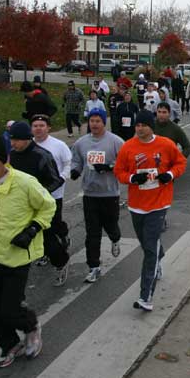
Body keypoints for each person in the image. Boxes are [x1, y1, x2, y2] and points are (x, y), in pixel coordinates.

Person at [0, 135, 55, 367]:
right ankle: (9, 344)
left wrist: (32, 229)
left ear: (4, 160)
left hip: (16, 256)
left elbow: (48, 206)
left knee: (10, 310)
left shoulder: (25, 183)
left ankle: (31, 326)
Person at [114, 110, 187, 312]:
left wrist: (170, 174)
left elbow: (181, 162)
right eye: (137, 125)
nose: (139, 129)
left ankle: (146, 296)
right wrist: (131, 179)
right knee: (148, 244)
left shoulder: (165, 144)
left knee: (149, 250)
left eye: (143, 125)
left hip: (159, 203)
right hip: (137, 204)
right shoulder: (128, 146)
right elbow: (119, 171)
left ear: (150, 126)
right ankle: (158, 255)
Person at [7, 122, 68, 286]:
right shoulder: (12, 155)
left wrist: (40, 194)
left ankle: (61, 262)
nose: (13, 144)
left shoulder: (42, 155)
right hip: (19, 207)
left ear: (27, 139)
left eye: (16, 140)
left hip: (41, 206)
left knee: (47, 239)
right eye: (11, 139)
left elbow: (56, 180)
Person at [69, 108, 124, 284]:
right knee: (92, 232)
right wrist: (75, 171)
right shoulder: (81, 143)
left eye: (97, 121)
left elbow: (124, 163)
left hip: (110, 193)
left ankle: (115, 239)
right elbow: (76, 159)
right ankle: (94, 266)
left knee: (111, 226)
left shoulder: (115, 142)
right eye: (91, 121)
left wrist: (108, 167)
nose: (94, 124)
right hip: (90, 194)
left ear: (103, 122)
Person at [31, 113, 73, 259]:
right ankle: (44, 251)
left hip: (54, 193)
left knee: (54, 223)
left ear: (48, 127)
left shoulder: (58, 145)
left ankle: (62, 234)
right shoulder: (28, 145)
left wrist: (61, 178)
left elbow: (68, 164)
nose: (38, 129)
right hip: (33, 194)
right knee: (38, 224)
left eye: (42, 126)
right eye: (35, 126)